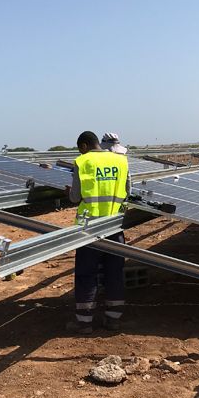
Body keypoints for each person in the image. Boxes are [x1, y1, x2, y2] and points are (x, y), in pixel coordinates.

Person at [66, 131, 130, 334]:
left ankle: (84, 322)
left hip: (89, 228)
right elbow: (127, 191)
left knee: (87, 273)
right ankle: (113, 319)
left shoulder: (83, 161)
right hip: (115, 224)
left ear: (84, 146)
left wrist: (68, 192)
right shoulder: (121, 161)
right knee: (114, 272)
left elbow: (75, 197)